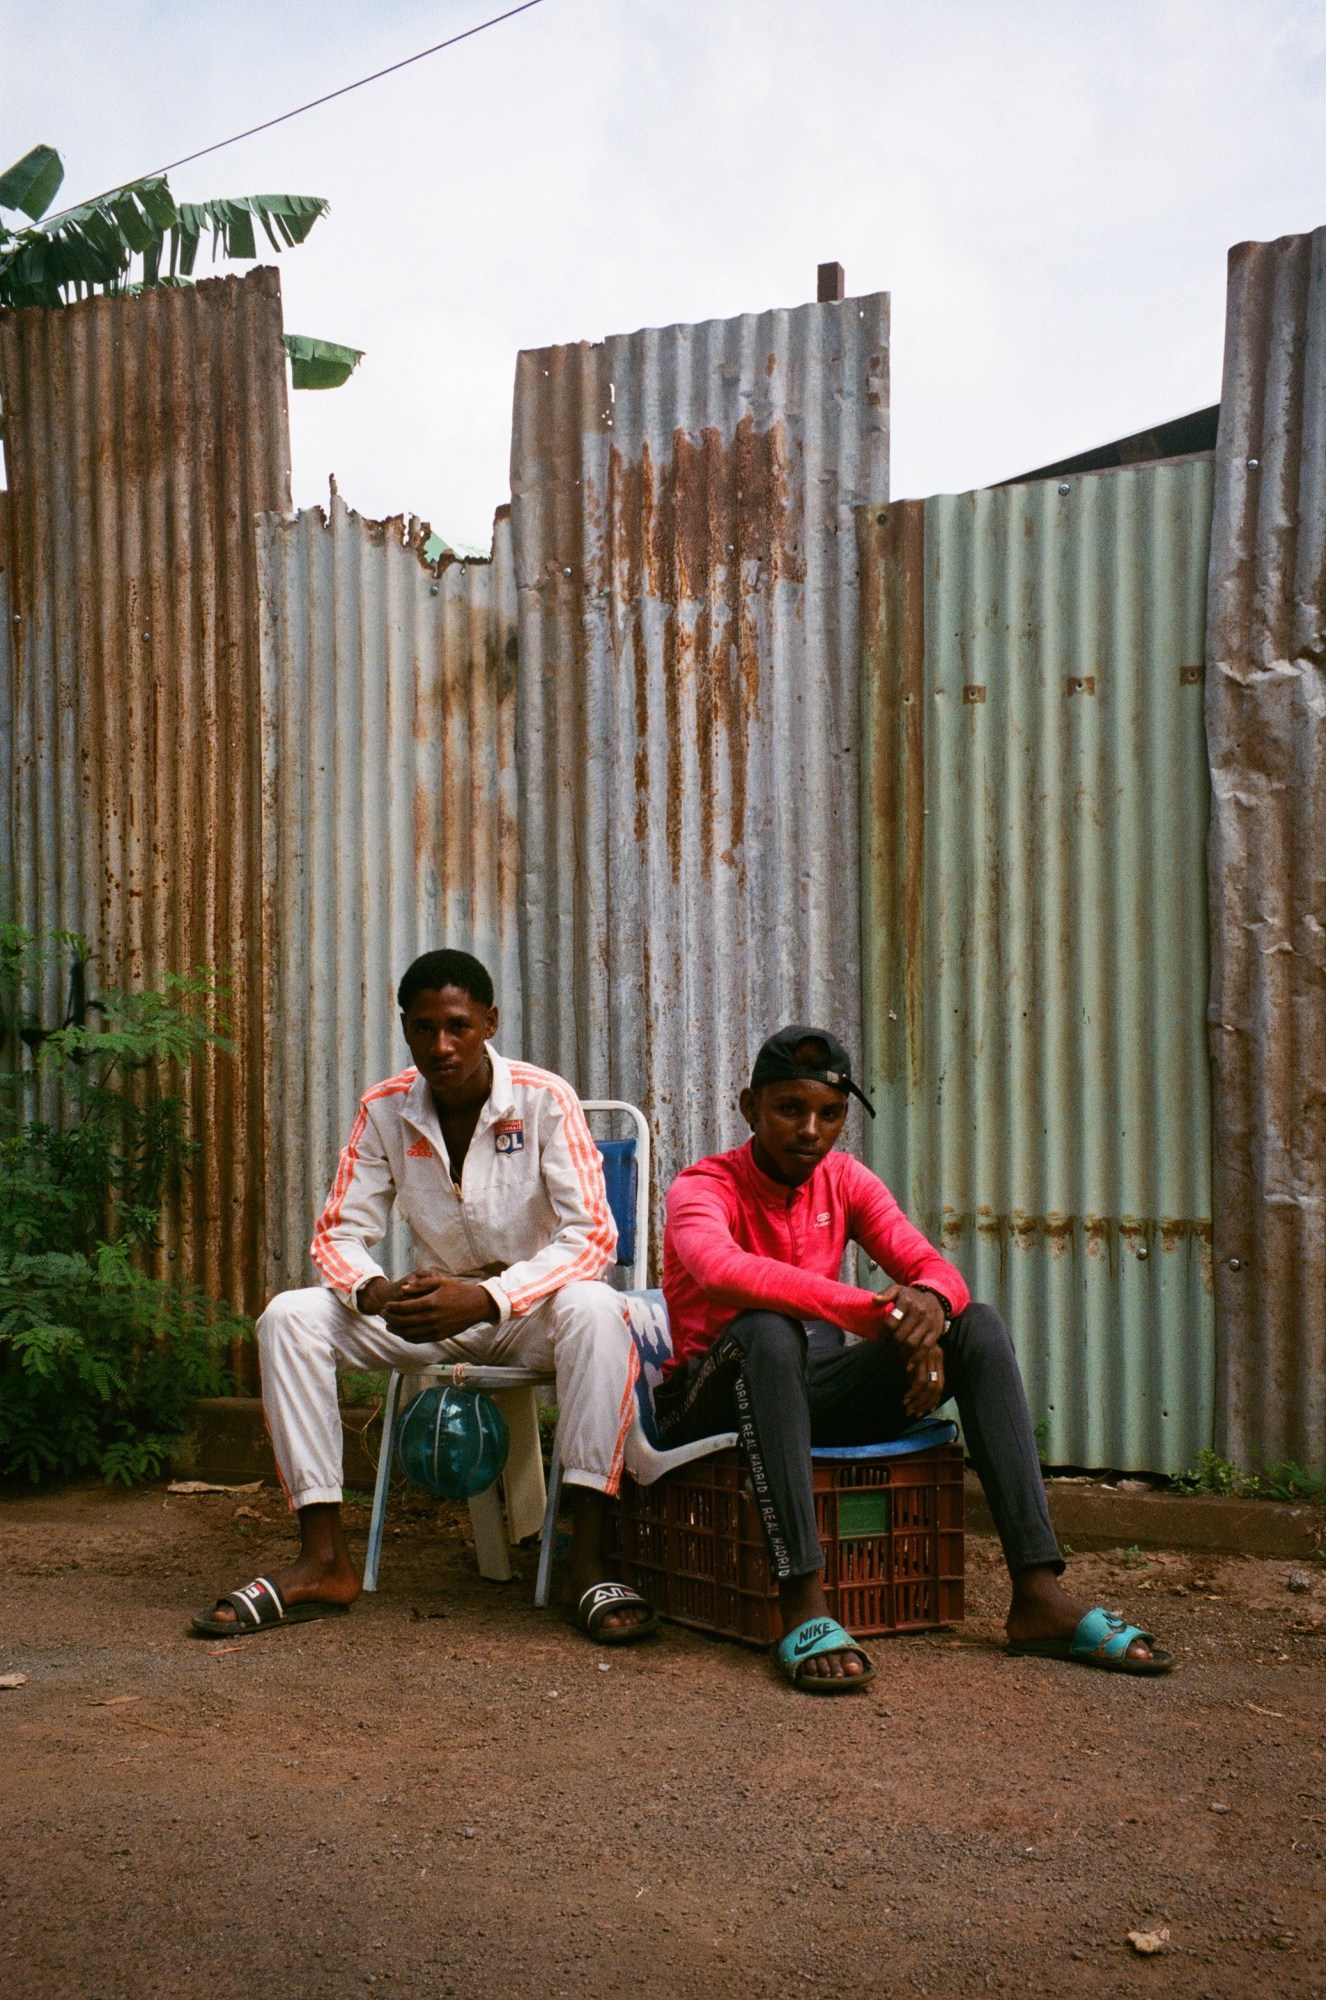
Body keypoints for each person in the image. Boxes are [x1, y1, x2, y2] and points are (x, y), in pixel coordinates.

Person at [658, 1024, 1173, 1694]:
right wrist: (878, 1315)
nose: (811, 1130)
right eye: (790, 1110)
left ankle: (1037, 1593)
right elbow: (722, 1272)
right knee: (767, 1329)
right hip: (710, 1399)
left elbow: (934, 1269)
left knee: (975, 1327)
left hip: (806, 1392)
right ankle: (803, 1602)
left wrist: (928, 1310)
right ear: (750, 1107)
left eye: (830, 1114)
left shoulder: (845, 1181)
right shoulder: (703, 1186)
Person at [191, 949, 655, 1645]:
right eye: (424, 1028)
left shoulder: (542, 1098)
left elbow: (591, 1238)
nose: (442, 1045)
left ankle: (584, 1561)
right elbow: (337, 1235)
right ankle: (323, 1559)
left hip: (529, 1313)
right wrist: (375, 1292)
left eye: (459, 1026)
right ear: (405, 1029)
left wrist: (490, 1297)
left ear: (489, 1022)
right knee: (289, 1317)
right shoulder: (385, 1108)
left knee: (597, 1308)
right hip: (432, 1312)